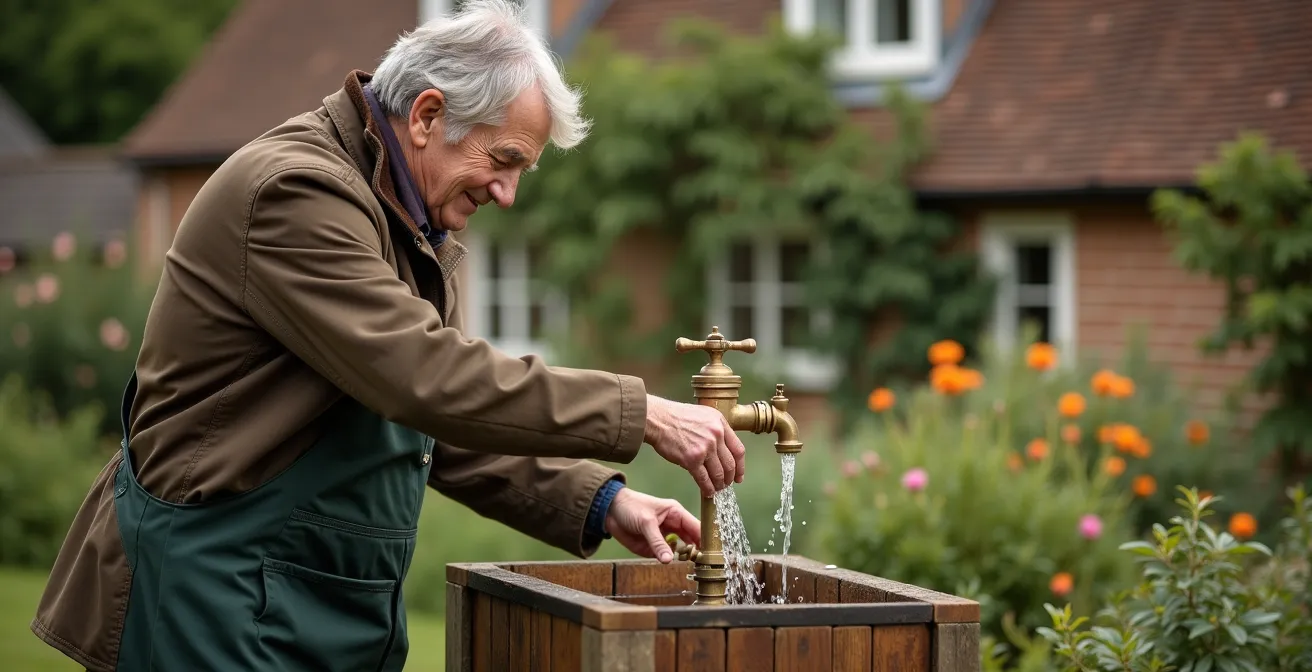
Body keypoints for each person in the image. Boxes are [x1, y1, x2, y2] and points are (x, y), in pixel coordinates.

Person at [30, 2, 747, 670]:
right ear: (428, 115)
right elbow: (423, 376)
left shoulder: (410, 217)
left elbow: (436, 426)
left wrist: (599, 500)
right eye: (502, 162)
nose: (508, 194)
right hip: (215, 593)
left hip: (306, 595)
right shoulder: (295, 194)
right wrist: (640, 411)